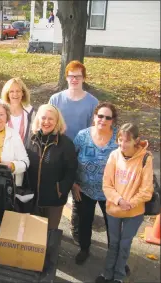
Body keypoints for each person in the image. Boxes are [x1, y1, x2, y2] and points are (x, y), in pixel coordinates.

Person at [95, 123, 153, 283]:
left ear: (136, 140)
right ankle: (107, 274)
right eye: (120, 140)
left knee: (125, 244)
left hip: (134, 212)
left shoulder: (145, 158)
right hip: (114, 209)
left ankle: (119, 276)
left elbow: (147, 190)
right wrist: (119, 200)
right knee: (113, 243)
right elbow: (106, 184)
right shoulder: (114, 155)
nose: (122, 144)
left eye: (126, 141)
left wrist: (130, 203)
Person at [49, 60, 99, 244]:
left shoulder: (92, 102)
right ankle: (50, 227)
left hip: (81, 154)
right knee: (57, 190)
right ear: (67, 77)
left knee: (79, 193)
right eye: (71, 76)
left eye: (78, 76)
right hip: (57, 152)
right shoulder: (56, 99)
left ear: (84, 78)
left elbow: (94, 130)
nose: (74, 79)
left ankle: (77, 230)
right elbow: (48, 123)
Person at [73, 102, 119, 265]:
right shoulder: (82, 135)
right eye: (100, 116)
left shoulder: (119, 138)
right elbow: (71, 160)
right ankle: (84, 249)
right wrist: (73, 183)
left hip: (111, 193)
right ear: (94, 117)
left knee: (113, 226)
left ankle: (116, 256)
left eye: (108, 117)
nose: (103, 120)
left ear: (112, 120)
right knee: (84, 221)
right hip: (84, 189)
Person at [26, 104, 77, 230]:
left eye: (51, 119)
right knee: (34, 233)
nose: (46, 122)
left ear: (57, 121)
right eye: (43, 118)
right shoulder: (31, 139)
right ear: (38, 119)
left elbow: (71, 171)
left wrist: (61, 190)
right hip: (32, 198)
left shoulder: (66, 144)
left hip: (54, 200)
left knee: (50, 233)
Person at [1, 77, 35, 148]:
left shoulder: (30, 111)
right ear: (7, 94)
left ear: (23, 93)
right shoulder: (0, 110)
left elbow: (33, 135)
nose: (15, 94)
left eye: (18, 91)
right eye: (11, 91)